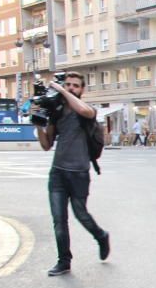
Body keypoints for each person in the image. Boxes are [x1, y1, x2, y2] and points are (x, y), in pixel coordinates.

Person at [34, 71, 110, 276]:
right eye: (67, 84)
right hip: (57, 173)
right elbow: (46, 145)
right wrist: (38, 124)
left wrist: (59, 90)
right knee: (59, 220)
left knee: (81, 214)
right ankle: (64, 261)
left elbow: (86, 111)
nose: (70, 88)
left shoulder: (86, 111)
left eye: (75, 85)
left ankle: (101, 236)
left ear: (82, 89)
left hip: (79, 174)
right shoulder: (57, 112)